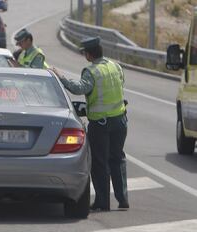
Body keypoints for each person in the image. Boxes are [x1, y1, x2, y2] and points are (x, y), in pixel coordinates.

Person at [50, 37, 129, 211]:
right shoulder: (115, 66)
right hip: (120, 120)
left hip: (101, 124)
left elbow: (79, 89)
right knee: (117, 159)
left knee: (100, 163)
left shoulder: (91, 71)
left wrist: (59, 76)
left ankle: (102, 202)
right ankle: (123, 199)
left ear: (88, 54)